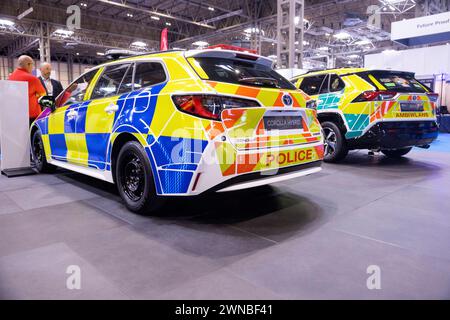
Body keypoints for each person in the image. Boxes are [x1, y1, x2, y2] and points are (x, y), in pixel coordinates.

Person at [8, 55, 47, 124]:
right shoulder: (32, 79)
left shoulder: (10, 78)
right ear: (28, 64)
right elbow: (44, 98)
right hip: (32, 116)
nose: (33, 68)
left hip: (15, 115)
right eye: (32, 65)